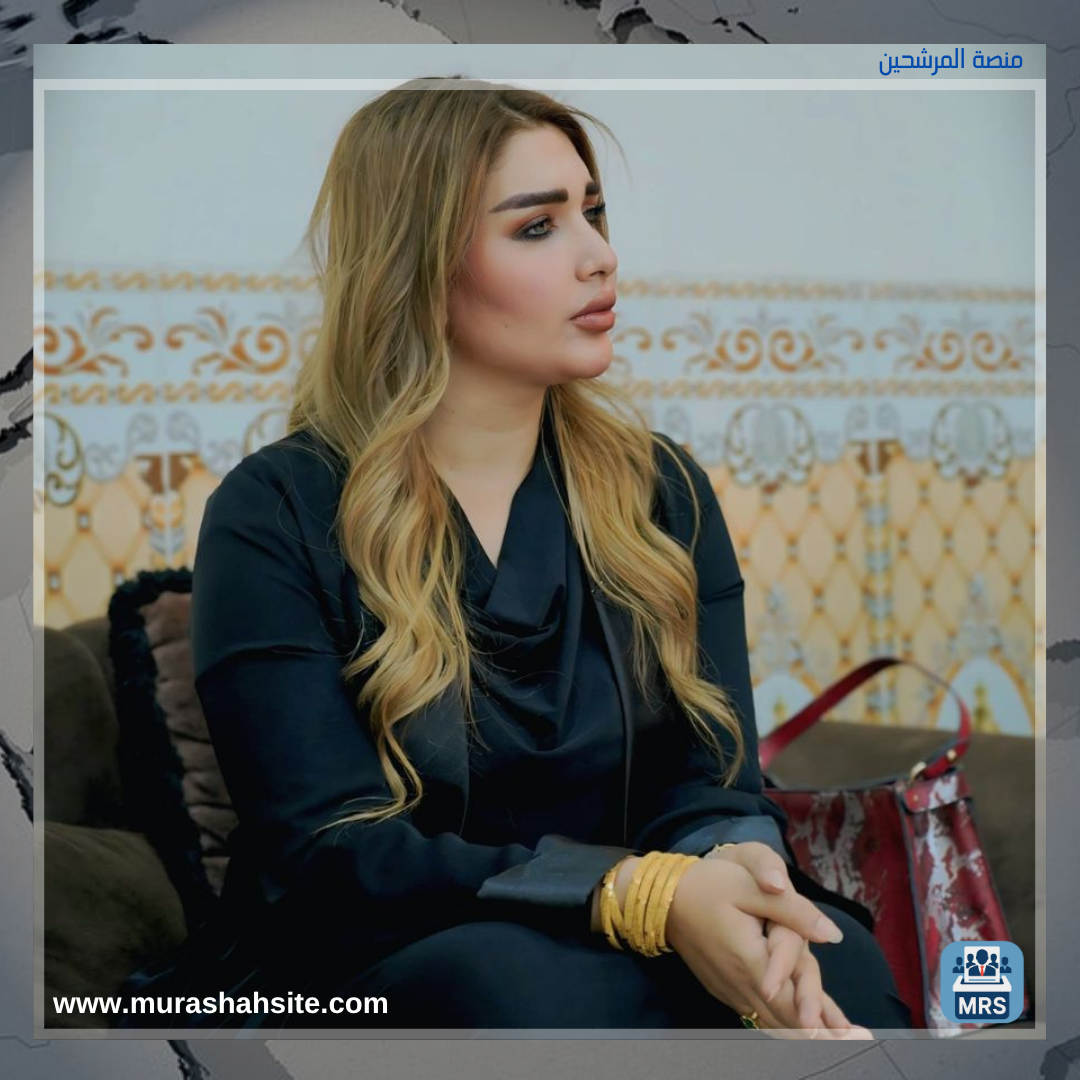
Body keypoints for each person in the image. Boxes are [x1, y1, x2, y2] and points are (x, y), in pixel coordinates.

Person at [115, 77, 913, 1036]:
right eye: (537, 227)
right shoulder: (274, 512)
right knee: (520, 990)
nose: (600, 256)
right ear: (416, 265)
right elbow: (327, 852)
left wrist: (738, 868)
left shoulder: (662, 490)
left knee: (838, 963)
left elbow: (713, 777)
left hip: (645, 921)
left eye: (593, 214)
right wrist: (639, 895)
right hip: (373, 947)